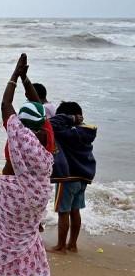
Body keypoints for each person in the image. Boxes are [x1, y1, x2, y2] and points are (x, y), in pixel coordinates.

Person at [0, 54, 53, 276]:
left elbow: (5, 105)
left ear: (21, 122)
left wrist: (15, 74)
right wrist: (24, 78)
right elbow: (38, 105)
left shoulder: (19, 133)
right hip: (37, 197)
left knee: (3, 236)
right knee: (28, 237)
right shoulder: (47, 134)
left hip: (14, 197)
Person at [48, 101, 97, 254]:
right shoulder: (85, 132)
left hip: (68, 178)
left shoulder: (67, 132)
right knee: (75, 211)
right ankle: (72, 244)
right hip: (83, 178)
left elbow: (50, 124)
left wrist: (69, 119)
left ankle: (61, 246)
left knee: (63, 212)